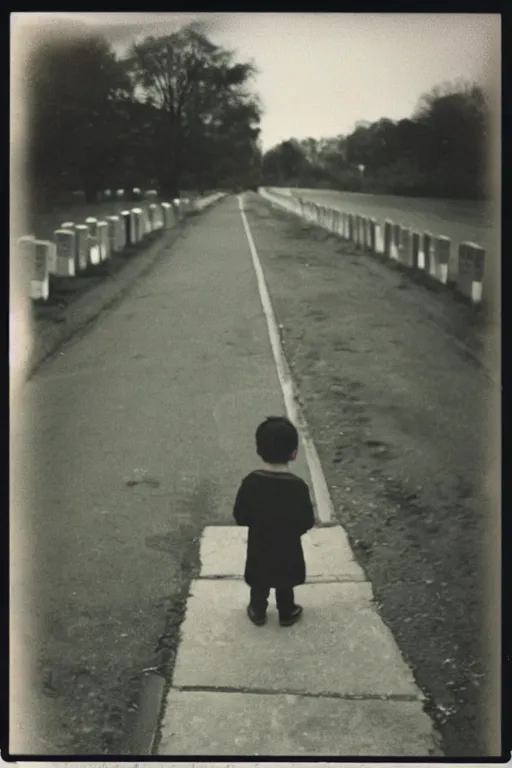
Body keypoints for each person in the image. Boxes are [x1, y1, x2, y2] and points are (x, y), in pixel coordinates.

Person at [233, 416, 315, 627]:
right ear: (294, 453)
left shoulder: (251, 483)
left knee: (259, 580)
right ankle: (287, 612)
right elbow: (307, 520)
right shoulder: (298, 487)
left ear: (260, 451)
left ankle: (257, 610)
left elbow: (240, 515)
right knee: (285, 581)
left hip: (259, 544)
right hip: (288, 547)